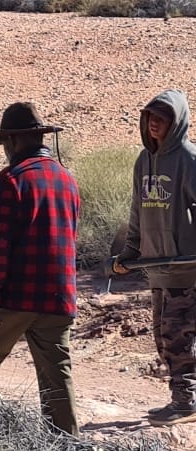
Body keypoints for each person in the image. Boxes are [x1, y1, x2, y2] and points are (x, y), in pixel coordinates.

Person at [0, 102, 80, 436]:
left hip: (16, 298)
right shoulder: (67, 180)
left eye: (5, 143)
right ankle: (67, 450)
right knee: (57, 375)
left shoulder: (9, 181)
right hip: (60, 297)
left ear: (13, 142)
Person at [111, 90, 196, 427]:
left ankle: (185, 401)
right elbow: (138, 212)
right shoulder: (142, 161)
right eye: (150, 116)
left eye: (162, 117)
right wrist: (130, 251)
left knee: (179, 337)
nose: (155, 123)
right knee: (163, 337)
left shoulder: (188, 160)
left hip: (185, 269)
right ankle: (183, 397)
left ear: (177, 121)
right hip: (155, 268)